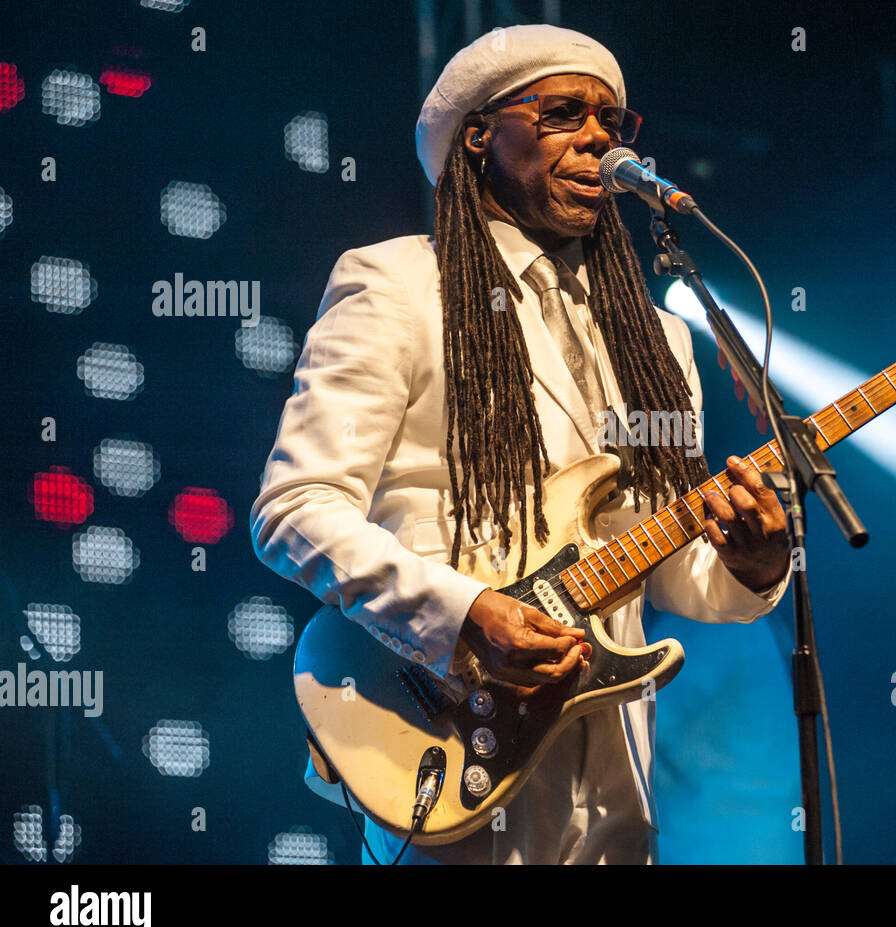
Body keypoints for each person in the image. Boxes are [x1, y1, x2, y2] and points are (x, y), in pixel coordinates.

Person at [249, 23, 792, 864]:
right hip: (443, 743)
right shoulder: (395, 285)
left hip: (614, 795)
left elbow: (672, 568)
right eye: (564, 112)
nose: (599, 137)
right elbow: (294, 511)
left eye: (613, 121)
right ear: (480, 138)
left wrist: (752, 563)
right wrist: (465, 614)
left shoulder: (657, 339)